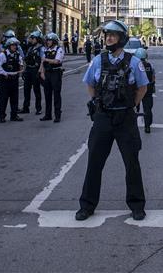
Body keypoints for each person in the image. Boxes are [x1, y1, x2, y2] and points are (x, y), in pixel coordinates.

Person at [77, 20, 149, 221]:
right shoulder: (98, 61)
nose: (108, 38)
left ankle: (137, 205)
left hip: (125, 118)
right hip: (103, 118)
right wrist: (95, 102)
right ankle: (87, 205)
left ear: (121, 39)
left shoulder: (134, 62)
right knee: (94, 162)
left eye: (113, 35)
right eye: (107, 35)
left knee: (131, 163)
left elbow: (143, 87)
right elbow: (90, 83)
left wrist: (130, 105)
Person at [0, 37, 24, 123]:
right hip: (5, 79)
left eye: (16, 45)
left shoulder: (17, 54)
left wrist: (21, 68)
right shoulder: (3, 55)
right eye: (13, 45)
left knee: (14, 98)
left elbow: (21, 63)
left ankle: (14, 115)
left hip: (14, 79)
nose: (15, 47)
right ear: (9, 46)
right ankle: (2, 116)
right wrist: (4, 73)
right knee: (3, 99)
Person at [40, 32, 65, 122]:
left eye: (49, 40)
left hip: (56, 73)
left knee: (56, 95)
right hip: (47, 73)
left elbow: (57, 61)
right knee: (47, 94)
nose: (48, 42)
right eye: (47, 40)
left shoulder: (59, 49)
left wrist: (46, 59)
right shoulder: (46, 50)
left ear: (54, 41)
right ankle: (48, 114)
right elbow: (42, 62)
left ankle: (57, 115)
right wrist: (42, 72)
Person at [21, 31, 43, 115]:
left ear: (37, 39)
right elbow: (26, 60)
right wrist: (24, 70)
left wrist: (40, 71)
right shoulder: (30, 48)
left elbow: (42, 60)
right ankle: (26, 107)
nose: (31, 40)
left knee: (36, 90)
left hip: (35, 70)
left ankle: (38, 108)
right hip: (29, 70)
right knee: (26, 89)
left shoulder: (41, 48)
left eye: (33, 38)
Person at [134, 48, 155, 133]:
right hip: (148, 89)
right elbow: (153, 78)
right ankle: (147, 127)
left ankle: (134, 125)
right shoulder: (150, 65)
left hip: (137, 90)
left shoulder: (134, 65)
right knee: (147, 109)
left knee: (134, 108)